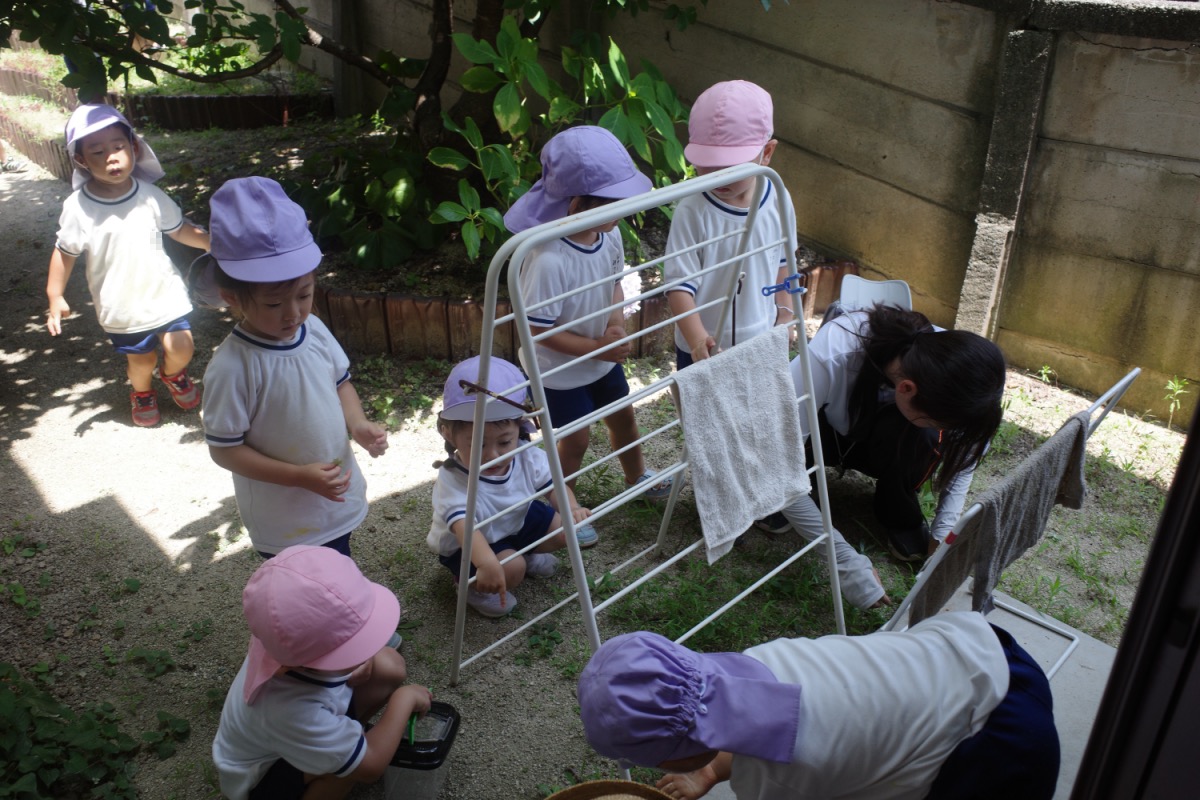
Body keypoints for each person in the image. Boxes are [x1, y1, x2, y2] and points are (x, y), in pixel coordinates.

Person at [578, 613, 1060, 800]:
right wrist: (710, 771)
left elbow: (786, 756)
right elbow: (749, 724)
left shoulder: (782, 783)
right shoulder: (760, 662)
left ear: (668, 758)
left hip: (998, 748)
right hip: (983, 652)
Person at [202, 177, 388, 558]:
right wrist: (298, 477)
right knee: (303, 582)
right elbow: (225, 450)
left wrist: (357, 424)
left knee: (337, 565)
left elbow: (341, 383)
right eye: (273, 304)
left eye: (304, 295)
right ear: (231, 297)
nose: (293, 313)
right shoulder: (233, 366)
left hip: (333, 496)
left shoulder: (313, 329)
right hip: (285, 519)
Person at [506, 125, 672, 517]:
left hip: (601, 356)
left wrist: (615, 325)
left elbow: (614, 284)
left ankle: (637, 475)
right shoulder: (548, 259)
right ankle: (565, 509)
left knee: (623, 418)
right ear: (577, 203)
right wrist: (597, 347)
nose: (623, 209)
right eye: (613, 201)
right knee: (575, 439)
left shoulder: (608, 233)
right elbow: (537, 331)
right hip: (557, 371)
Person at [212, 545, 432, 800]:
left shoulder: (281, 638)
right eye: (350, 648)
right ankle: (341, 759)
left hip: (291, 735)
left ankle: (344, 744)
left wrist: (360, 656)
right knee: (343, 770)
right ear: (301, 664)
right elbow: (371, 769)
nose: (366, 650)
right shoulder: (288, 709)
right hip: (262, 777)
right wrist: (403, 700)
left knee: (388, 665)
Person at [792, 304, 1006, 562]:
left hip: (871, 436)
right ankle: (799, 488)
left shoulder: (968, 377)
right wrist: (845, 559)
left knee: (927, 437)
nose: (944, 433)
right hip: (821, 432)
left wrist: (942, 537)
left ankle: (897, 511)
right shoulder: (834, 351)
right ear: (906, 388)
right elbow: (781, 452)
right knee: (787, 481)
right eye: (937, 422)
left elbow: (963, 459)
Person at [45, 104, 210, 427]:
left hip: (163, 291)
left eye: (118, 147)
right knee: (141, 360)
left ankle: (173, 373)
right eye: (97, 151)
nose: (111, 157)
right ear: (81, 159)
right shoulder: (79, 207)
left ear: (134, 147)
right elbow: (64, 252)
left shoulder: (150, 195)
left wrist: (209, 242)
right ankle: (142, 392)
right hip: (121, 303)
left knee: (182, 346)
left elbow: (178, 229)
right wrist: (55, 295)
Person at [427, 356, 591, 618]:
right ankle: (472, 587)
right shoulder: (453, 479)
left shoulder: (525, 454)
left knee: (564, 531)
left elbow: (554, 487)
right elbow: (465, 529)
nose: (493, 455)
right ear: (449, 433)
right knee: (512, 568)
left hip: (513, 518)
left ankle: (527, 551)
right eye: (478, 444)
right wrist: (486, 563)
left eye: (504, 442)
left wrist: (571, 508)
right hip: (469, 544)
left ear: (520, 428)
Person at [663, 80, 797, 372]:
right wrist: (699, 341)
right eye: (707, 162)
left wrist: (786, 316)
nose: (717, 175)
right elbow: (678, 286)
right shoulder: (692, 209)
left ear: (766, 153)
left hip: (761, 335)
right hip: (705, 344)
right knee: (702, 402)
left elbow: (784, 261)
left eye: (731, 165)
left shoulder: (777, 196)